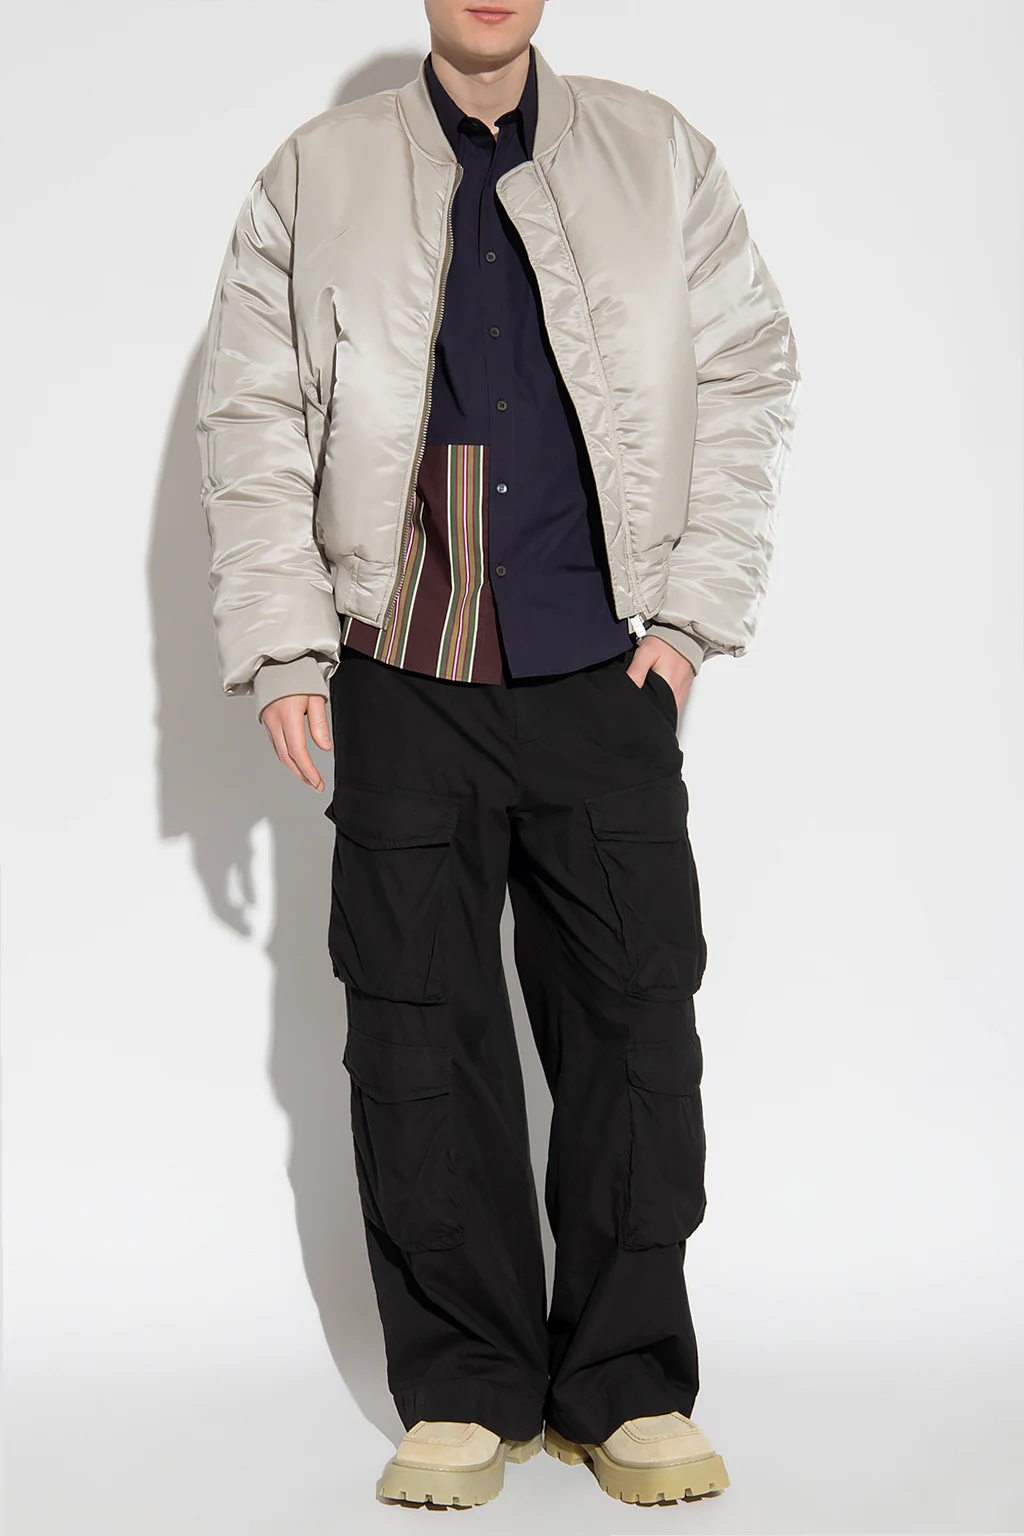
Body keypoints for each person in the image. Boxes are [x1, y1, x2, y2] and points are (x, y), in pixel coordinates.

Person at [196, 0, 800, 1510]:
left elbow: (747, 369)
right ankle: (465, 1386)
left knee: (634, 1027)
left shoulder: (657, 153)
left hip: (603, 663)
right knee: (417, 1036)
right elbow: (253, 413)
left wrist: (691, 619)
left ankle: (627, 1383)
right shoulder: (315, 170)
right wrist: (283, 645)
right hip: (403, 666)